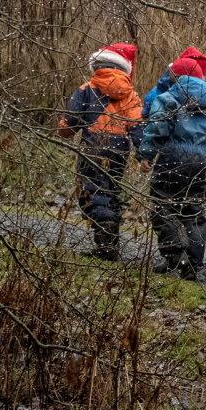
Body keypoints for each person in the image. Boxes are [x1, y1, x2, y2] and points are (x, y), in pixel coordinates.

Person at [138, 47, 206, 280]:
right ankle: (193, 264)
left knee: (162, 206)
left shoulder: (168, 99)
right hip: (202, 163)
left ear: (174, 77)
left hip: (172, 159)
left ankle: (175, 255)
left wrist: (145, 154)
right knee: (193, 211)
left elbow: (157, 128)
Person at [57, 43, 143, 260]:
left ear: (97, 65)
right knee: (111, 190)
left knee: (91, 192)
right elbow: (138, 126)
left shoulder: (87, 89)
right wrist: (143, 153)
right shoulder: (130, 96)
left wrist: (64, 128)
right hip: (119, 149)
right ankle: (110, 242)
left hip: (92, 145)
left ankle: (105, 244)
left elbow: (70, 123)